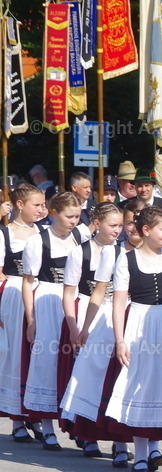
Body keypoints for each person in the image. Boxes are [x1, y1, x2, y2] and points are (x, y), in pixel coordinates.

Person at [105, 206, 162, 472]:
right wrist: (120, 340)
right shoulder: (126, 259)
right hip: (139, 322)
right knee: (139, 385)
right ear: (146, 231)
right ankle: (140, 455)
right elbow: (119, 302)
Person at [59, 203, 126, 462]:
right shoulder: (81, 252)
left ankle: (119, 440)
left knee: (114, 376)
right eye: (113, 225)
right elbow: (69, 291)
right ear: (96, 222)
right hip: (89, 309)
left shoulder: (123, 251)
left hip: (116, 313)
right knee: (88, 375)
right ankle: (87, 434)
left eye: (121, 225)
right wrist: (76, 327)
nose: (118, 231)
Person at [21, 192, 88, 449]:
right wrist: (31, 320)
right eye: (69, 216)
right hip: (48, 299)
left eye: (77, 216)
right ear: (54, 214)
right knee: (46, 360)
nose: (74, 221)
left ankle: (76, 425)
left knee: (76, 362)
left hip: (74, 300)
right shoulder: (38, 242)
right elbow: (29, 283)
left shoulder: (81, 237)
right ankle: (46, 425)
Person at [0, 186, 46, 438]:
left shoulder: (44, 232)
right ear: (19, 204)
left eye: (43, 205)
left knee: (37, 354)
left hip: (40, 292)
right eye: (36, 205)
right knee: (17, 354)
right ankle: (17, 417)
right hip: (15, 293)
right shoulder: (5, 234)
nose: (41, 209)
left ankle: (34, 413)